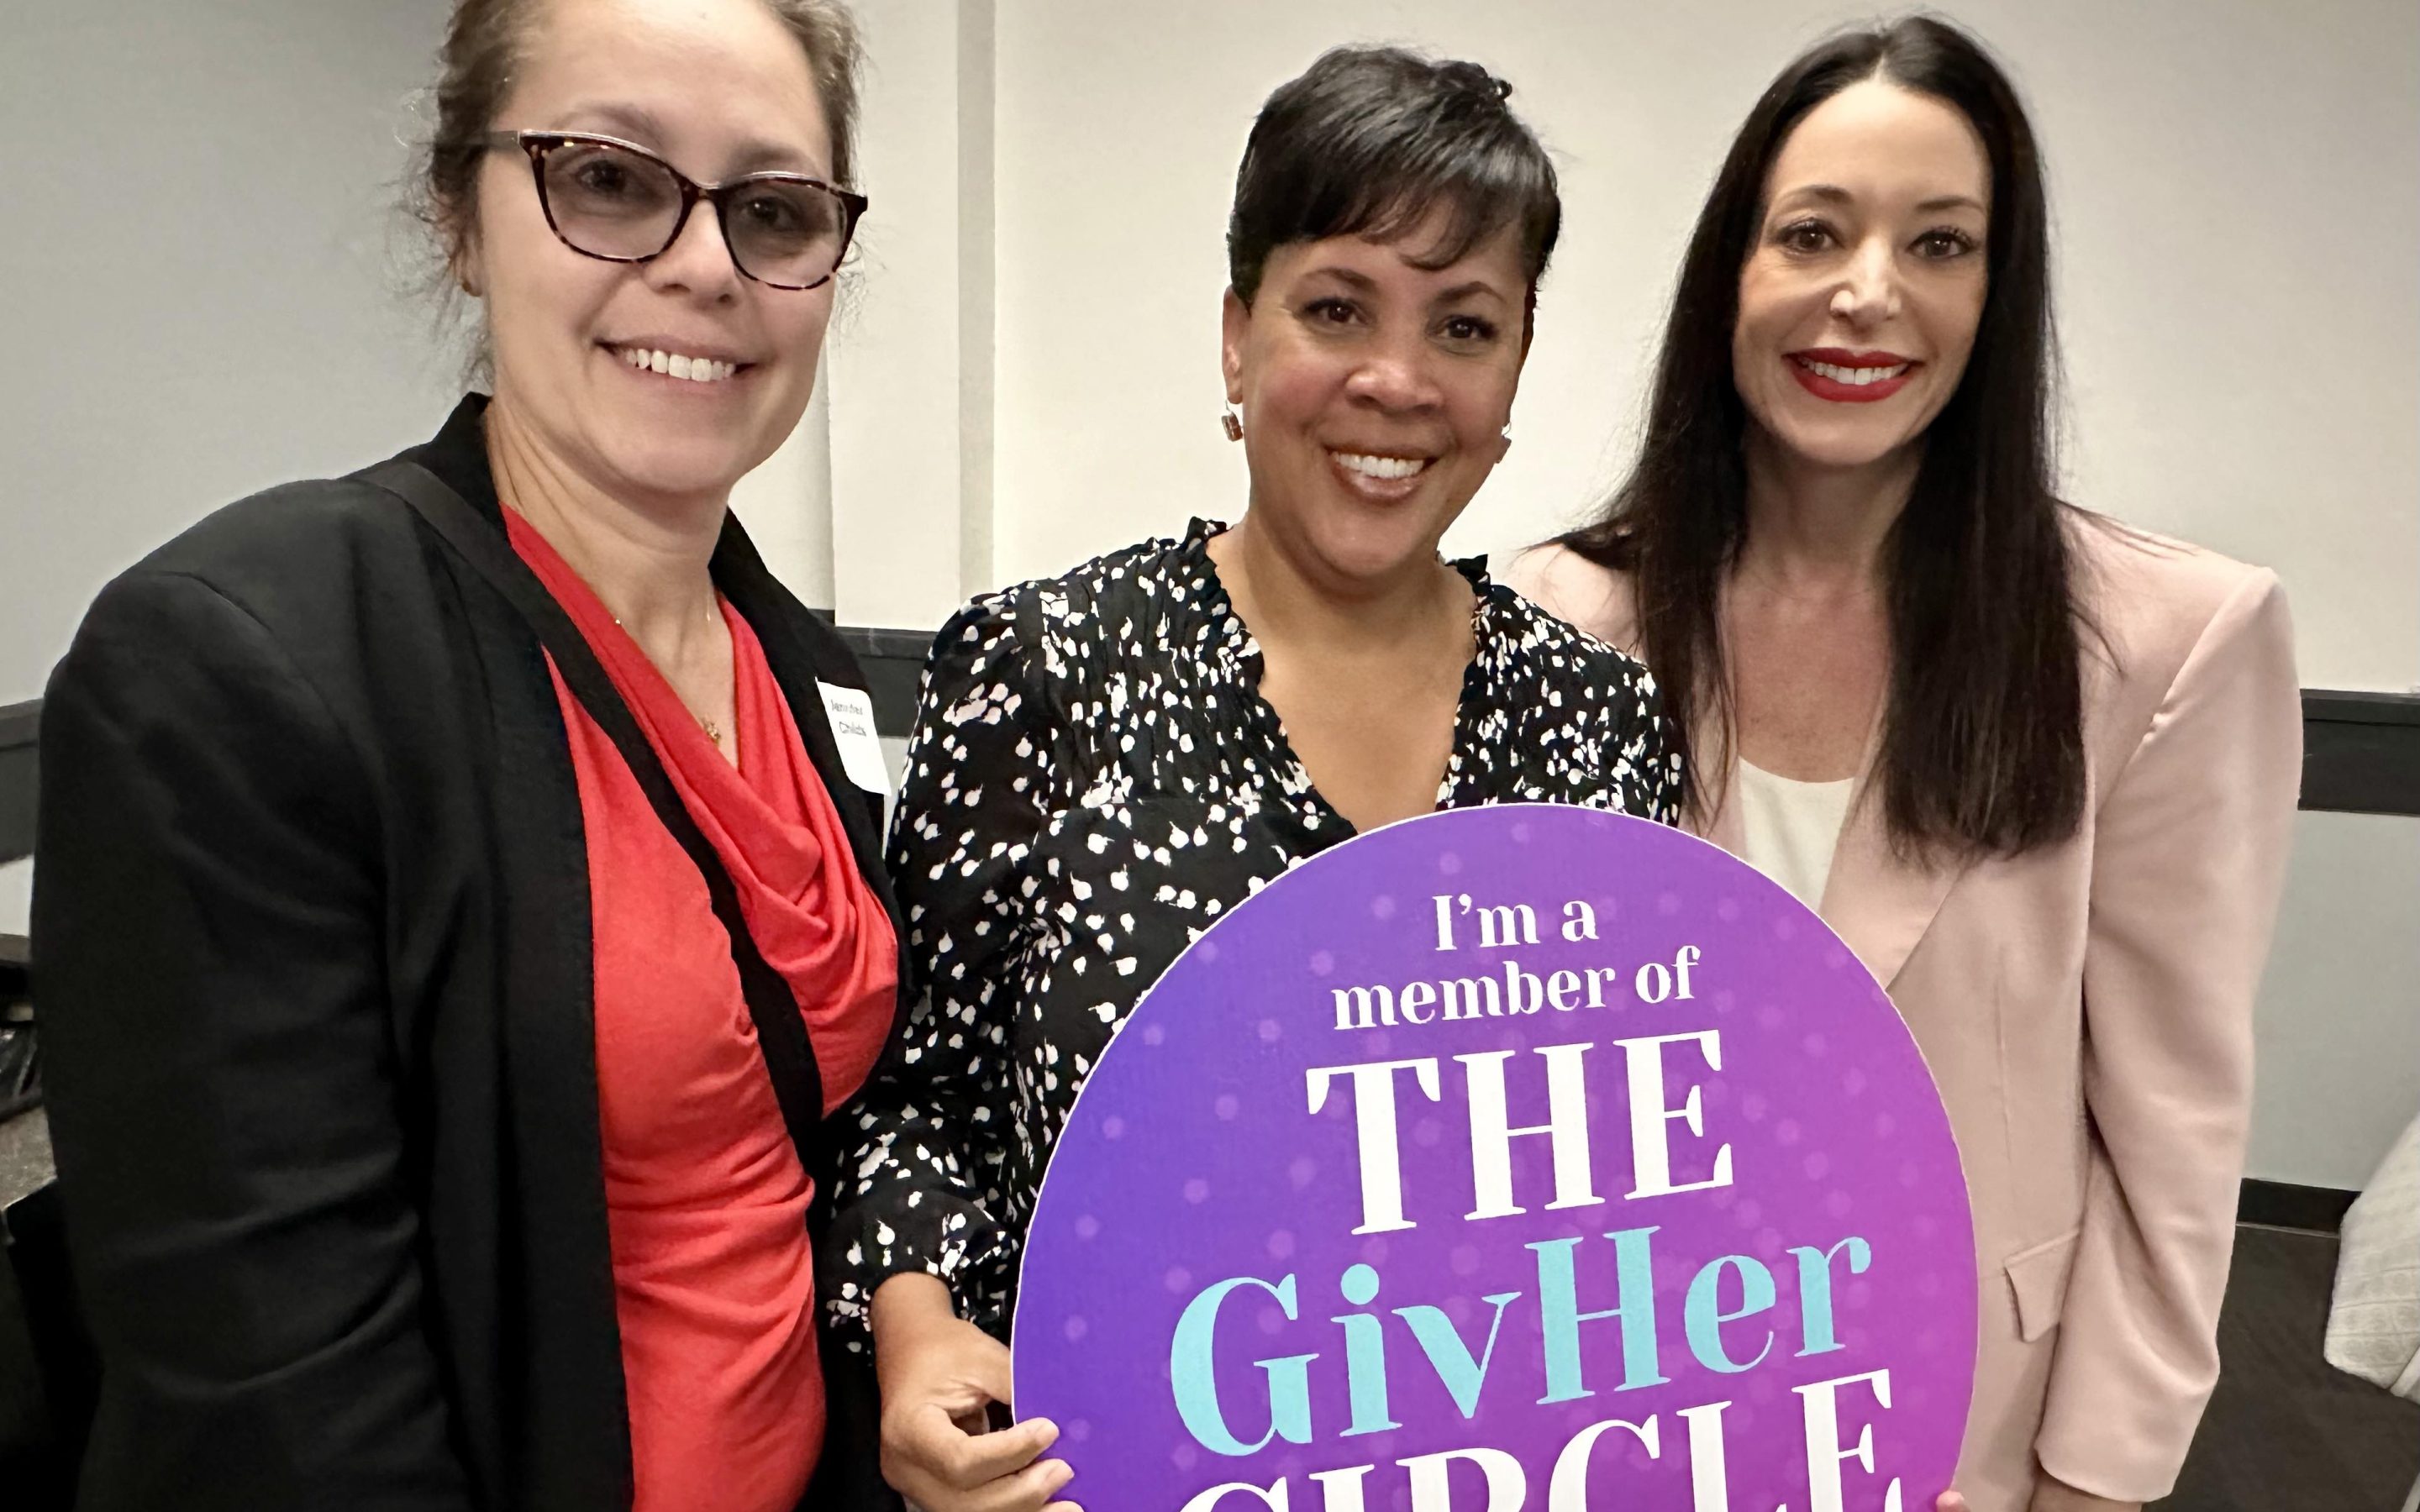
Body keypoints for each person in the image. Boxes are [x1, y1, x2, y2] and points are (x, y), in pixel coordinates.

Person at [32, 1, 907, 1508]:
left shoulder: (798, 666)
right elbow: (283, 1425)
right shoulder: (242, 663)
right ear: (460, 219)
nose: (706, 265)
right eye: (610, 180)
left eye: (774, 210)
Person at [823, 45, 1681, 1512]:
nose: (1396, 380)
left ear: (1516, 369)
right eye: (1337, 308)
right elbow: (917, 1102)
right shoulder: (1050, 672)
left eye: (1464, 326)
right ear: (1237, 336)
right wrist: (916, 1334)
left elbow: (1657, 1176)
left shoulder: (1597, 724)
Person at [1503, 17, 2298, 1512]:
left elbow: (2174, 1140)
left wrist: (2094, 1487)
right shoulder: (1557, 615)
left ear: (1998, 292)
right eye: (1813, 233)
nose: (1868, 292)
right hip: (1618, 1418)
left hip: (1970, 1435)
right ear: (1731, 275)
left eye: (1940, 244)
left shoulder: (2167, 641)